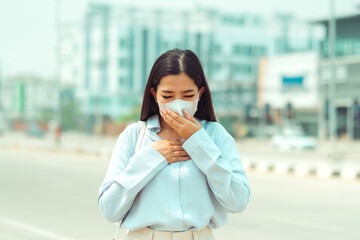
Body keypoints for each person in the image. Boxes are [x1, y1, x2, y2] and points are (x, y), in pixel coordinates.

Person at [98, 48, 250, 240]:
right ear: (154, 94)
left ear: (200, 93)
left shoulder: (216, 135)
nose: (178, 104)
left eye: (187, 95)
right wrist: (150, 158)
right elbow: (109, 209)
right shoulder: (133, 136)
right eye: (168, 96)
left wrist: (199, 142)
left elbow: (238, 201)